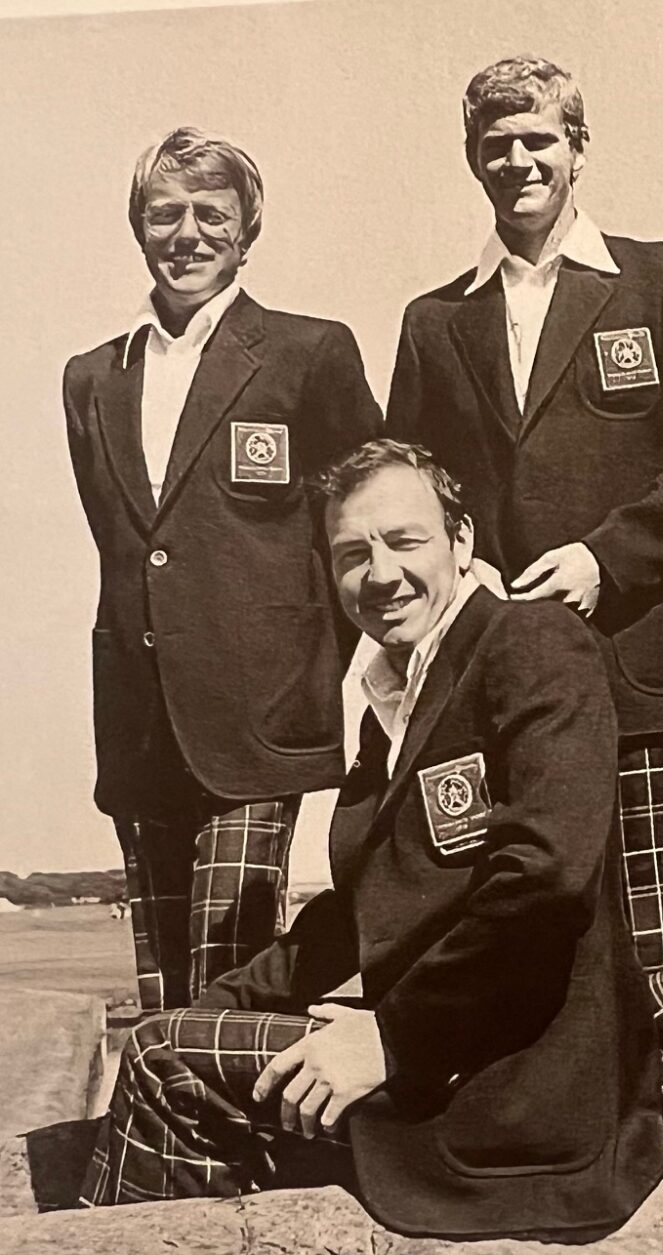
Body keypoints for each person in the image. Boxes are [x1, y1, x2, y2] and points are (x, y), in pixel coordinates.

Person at [79, 440, 663, 1241]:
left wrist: (392, 1037)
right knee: (171, 1044)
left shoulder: (530, 643)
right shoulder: (389, 698)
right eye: (352, 553)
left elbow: (546, 880)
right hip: (443, 1065)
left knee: (159, 1059)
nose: (380, 574)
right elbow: (354, 914)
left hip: (516, 1086)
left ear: (462, 542)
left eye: (404, 541)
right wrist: (218, 1006)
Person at [387, 55, 663, 975]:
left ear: (578, 150)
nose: (517, 162)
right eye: (495, 145)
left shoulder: (658, 277)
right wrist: (463, 579)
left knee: (657, 949)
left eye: (538, 141)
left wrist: (605, 558)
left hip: (637, 660)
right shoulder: (435, 321)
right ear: (473, 160)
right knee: (534, 941)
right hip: (501, 679)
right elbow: (413, 491)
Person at [62, 128, 382, 1012]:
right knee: (164, 986)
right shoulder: (92, 378)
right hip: (138, 719)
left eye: (212, 214)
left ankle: (230, 1152)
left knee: (228, 975)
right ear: (139, 228)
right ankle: (167, 1151)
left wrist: (312, 654)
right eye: (165, 214)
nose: (187, 234)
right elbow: (126, 544)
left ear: (247, 232)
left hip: (258, 718)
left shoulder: (308, 351)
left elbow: (370, 519)